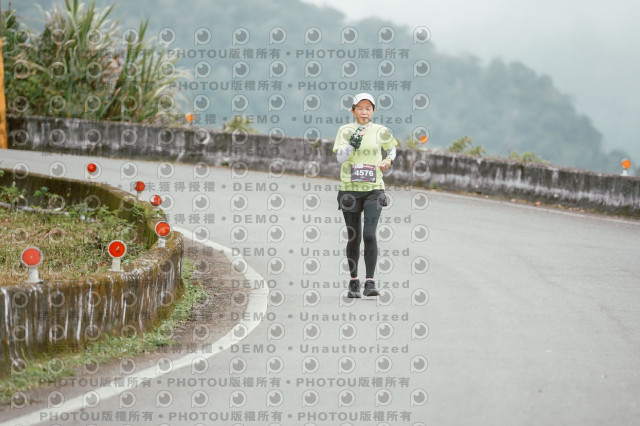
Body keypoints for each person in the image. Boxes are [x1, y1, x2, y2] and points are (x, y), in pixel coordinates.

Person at [333, 93, 398, 298]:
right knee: (354, 236)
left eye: (368, 108)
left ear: (373, 111)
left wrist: (388, 160)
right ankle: (354, 281)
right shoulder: (345, 130)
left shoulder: (381, 131)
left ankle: (370, 282)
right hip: (350, 189)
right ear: (353, 111)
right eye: (360, 108)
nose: (364, 112)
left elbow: (392, 149)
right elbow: (339, 159)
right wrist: (352, 144)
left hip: (374, 189)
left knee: (369, 234)